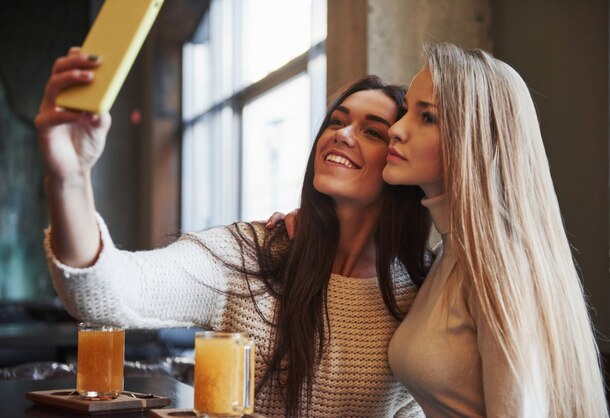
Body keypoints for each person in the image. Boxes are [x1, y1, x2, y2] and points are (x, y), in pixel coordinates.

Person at [35, 48, 432, 417]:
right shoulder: (250, 254)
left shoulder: (425, 290)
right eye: (337, 121)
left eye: (372, 131)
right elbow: (104, 291)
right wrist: (69, 176)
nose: (342, 135)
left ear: (399, 160)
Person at [383, 42, 608, 417]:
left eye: (427, 118)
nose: (396, 129)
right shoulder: (446, 256)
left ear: (476, 139)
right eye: (406, 111)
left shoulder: (500, 265)